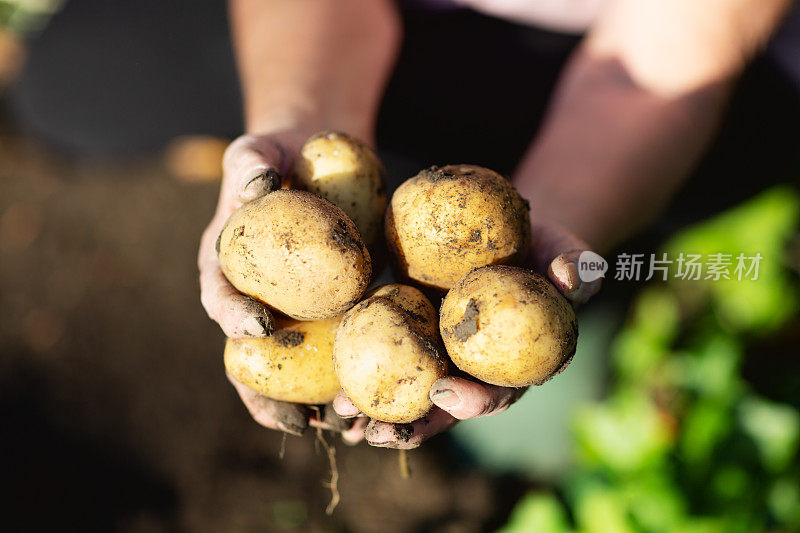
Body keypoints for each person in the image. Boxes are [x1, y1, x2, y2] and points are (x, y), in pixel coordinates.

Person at [198, 0, 796, 449]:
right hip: (387, 43)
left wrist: (566, 213)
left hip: (632, 87)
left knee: (540, 432)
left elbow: (663, 62)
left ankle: (617, 268)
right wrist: (299, 135)